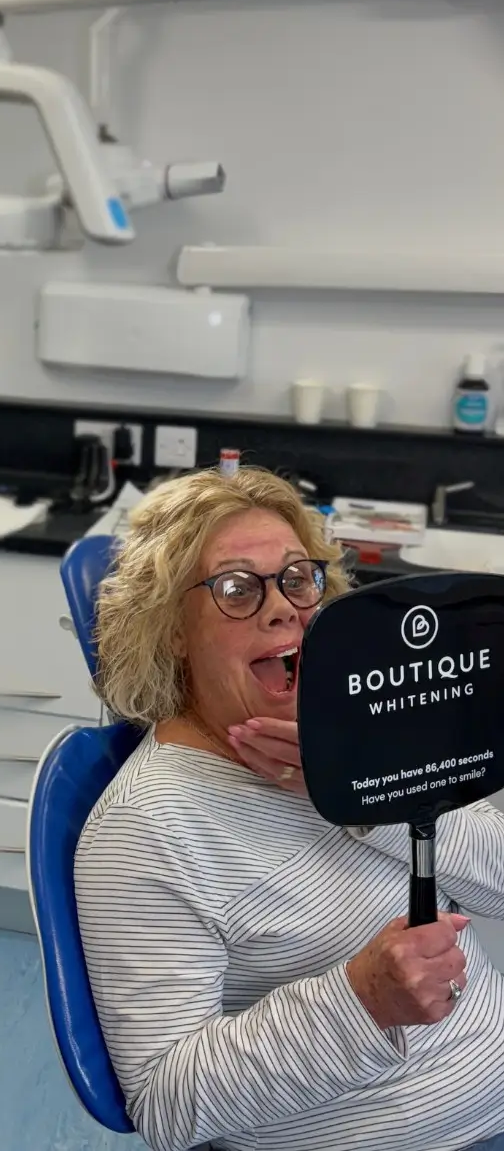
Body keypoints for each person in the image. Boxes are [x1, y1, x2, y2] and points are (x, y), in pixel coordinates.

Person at [75, 466, 504, 1151]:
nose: (284, 608)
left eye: (297, 578)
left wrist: (365, 793)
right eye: (236, 588)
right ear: (172, 629)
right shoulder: (146, 828)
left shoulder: (356, 732)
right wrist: (361, 1002)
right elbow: (167, 1104)